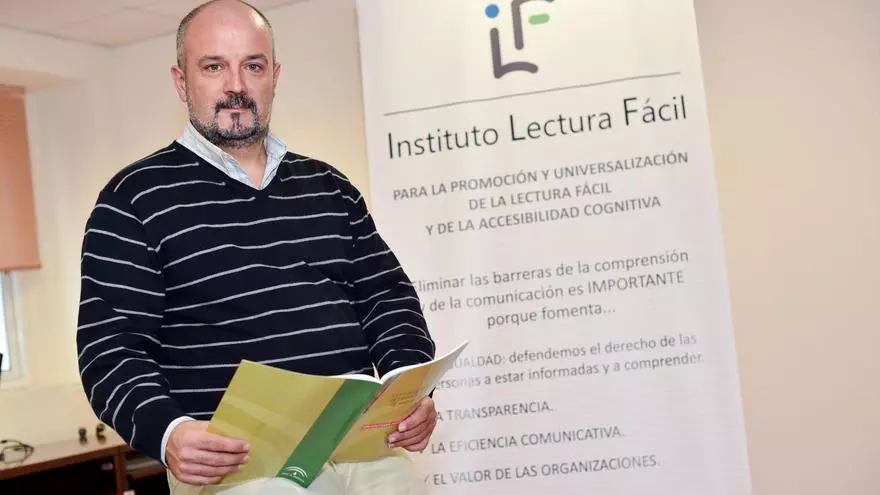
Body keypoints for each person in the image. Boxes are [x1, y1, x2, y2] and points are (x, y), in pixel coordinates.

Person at [75, 1, 437, 493]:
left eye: (253, 66)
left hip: (358, 443)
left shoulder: (330, 187)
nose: (236, 85)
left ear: (274, 77)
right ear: (182, 82)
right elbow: (110, 347)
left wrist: (406, 389)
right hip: (237, 461)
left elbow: (386, 298)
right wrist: (168, 431)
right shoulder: (133, 200)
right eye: (213, 67)